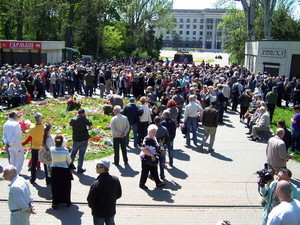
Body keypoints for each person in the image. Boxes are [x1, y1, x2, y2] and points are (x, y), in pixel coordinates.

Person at [87, 158, 122, 225]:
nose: (95, 168)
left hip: (99, 213)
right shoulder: (115, 179)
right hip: (111, 210)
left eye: (97, 167)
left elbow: (90, 200)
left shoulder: (96, 183)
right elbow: (119, 194)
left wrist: (94, 208)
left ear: (103, 169)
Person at [139, 124, 166, 189]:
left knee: (154, 170)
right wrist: (151, 155)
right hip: (146, 158)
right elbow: (143, 149)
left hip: (153, 158)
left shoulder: (154, 138)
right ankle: (142, 184)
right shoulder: (147, 139)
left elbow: (155, 146)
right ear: (149, 131)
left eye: (155, 131)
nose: (155, 133)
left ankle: (158, 182)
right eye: (153, 131)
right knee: (145, 172)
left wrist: (159, 149)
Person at [50, 136, 72, 209]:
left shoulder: (52, 149)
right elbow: (69, 160)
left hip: (55, 170)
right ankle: (67, 201)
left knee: (55, 187)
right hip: (64, 170)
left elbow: (50, 159)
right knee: (66, 186)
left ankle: (55, 202)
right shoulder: (65, 150)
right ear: (62, 142)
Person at [69, 108, 92, 173]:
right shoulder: (84, 119)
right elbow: (90, 124)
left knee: (73, 153)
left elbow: (70, 124)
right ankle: (79, 168)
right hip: (84, 139)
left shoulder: (73, 120)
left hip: (76, 139)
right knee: (81, 155)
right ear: (83, 113)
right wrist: (86, 118)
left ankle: (69, 166)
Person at [29, 113, 44, 184]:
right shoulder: (43, 127)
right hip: (42, 147)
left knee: (34, 163)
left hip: (34, 147)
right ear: (40, 119)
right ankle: (48, 179)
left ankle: (32, 178)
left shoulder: (31, 127)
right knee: (45, 163)